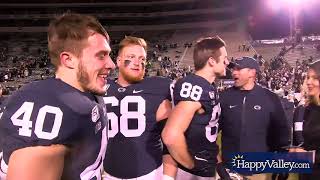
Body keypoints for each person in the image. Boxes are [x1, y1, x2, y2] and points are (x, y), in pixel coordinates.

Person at [0, 13, 115, 180]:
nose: (111, 64)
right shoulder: (50, 107)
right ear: (68, 60)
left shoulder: (85, 94)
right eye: (101, 55)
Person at [103, 36, 175, 179]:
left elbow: (172, 139)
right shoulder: (101, 87)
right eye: (131, 57)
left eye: (142, 59)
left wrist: (168, 177)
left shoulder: (160, 86)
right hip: (110, 173)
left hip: (150, 173)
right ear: (118, 61)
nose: (137, 63)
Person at [162, 36, 229, 179]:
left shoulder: (206, 86)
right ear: (211, 61)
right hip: (193, 172)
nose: (227, 62)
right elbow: (170, 135)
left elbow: (203, 132)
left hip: (205, 166)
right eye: (224, 58)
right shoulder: (197, 87)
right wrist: (192, 165)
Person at [219, 56, 290, 179]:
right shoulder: (224, 97)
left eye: (238, 69)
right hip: (229, 169)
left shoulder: (270, 98)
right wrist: (219, 164)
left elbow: (282, 133)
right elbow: (210, 132)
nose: (234, 72)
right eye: (233, 69)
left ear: (252, 72)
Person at [290, 60, 320, 180]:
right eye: (307, 77)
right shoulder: (308, 109)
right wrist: (297, 150)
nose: (308, 82)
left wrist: (311, 157)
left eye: (315, 78)